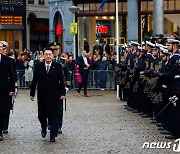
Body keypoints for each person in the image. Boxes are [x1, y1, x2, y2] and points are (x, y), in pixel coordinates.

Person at [30, 47, 66, 142]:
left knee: (54, 115)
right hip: (42, 95)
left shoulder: (58, 66)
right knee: (42, 115)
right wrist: (32, 93)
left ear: (53, 55)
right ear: (43, 56)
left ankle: (52, 135)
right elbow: (34, 81)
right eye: (46, 54)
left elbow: (61, 81)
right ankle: (44, 127)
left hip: (54, 95)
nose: (48, 56)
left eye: (50, 54)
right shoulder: (39, 66)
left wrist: (63, 93)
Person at [0, 41, 15, 141]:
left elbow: (12, 75)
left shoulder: (7, 60)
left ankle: (0, 130)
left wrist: (12, 89)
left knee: (2, 110)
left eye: (1, 47)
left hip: (3, 89)